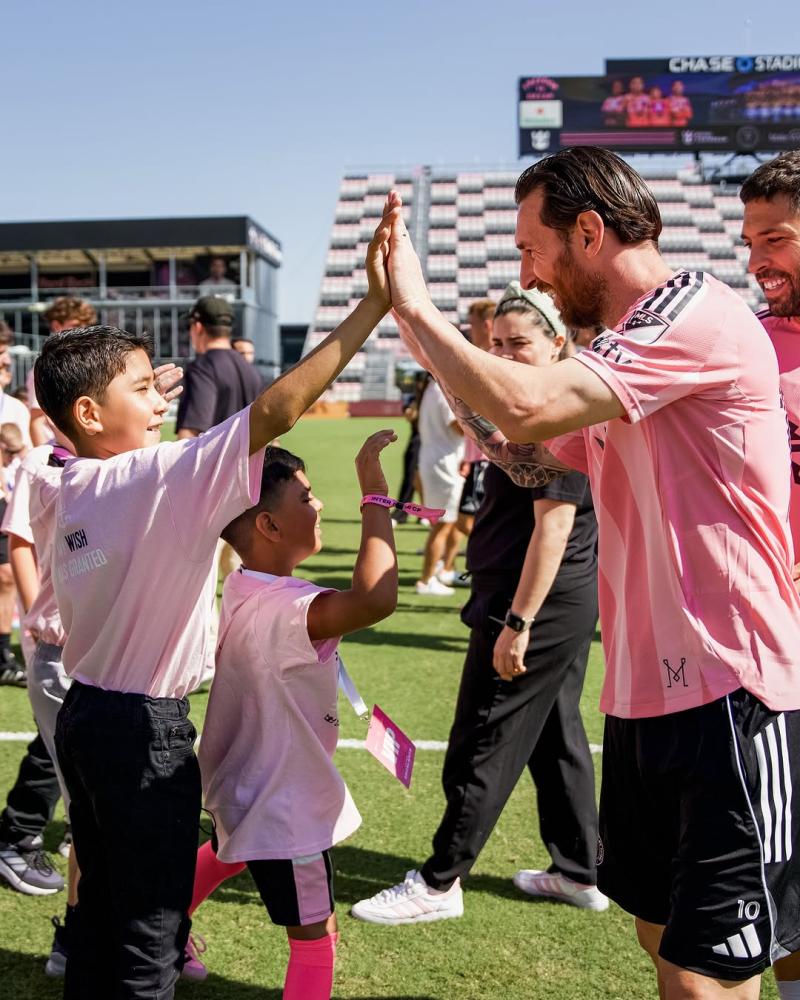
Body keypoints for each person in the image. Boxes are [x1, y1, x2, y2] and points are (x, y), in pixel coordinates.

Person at [384, 148, 800, 1000]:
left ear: (587, 231)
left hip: (731, 686)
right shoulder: (621, 349)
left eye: (532, 250)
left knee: (708, 970)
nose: (527, 274)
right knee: (659, 932)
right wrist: (420, 337)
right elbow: (528, 451)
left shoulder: (693, 308)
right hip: (644, 692)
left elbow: (528, 404)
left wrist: (420, 308)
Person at [33, 199, 394, 1000]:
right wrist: (373, 305)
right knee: (149, 939)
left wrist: (132, 393)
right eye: (143, 388)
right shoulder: (156, 475)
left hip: (86, 715)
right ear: (90, 412)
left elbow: (94, 437)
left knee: (100, 916)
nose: (161, 397)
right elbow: (278, 409)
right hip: (142, 732)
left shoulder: (70, 478)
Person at [352, 284, 604, 925]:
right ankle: (579, 871)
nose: (504, 355)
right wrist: (408, 313)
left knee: (480, 743)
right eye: (496, 343)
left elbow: (553, 529)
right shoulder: (527, 407)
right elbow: (456, 383)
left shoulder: (564, 410)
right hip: (548, 599)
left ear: (557, 344)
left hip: (534, 602)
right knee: (556, 737)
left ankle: (439, 883)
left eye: (519, 343)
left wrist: (519, 621)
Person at [199, 432, 398, 999]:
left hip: (246, 786)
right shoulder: (290, 610)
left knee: (230, 851)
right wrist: (375, 495)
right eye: (306, 498)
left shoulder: (245, 585)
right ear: (268, 524)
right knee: (317, 939)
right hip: (287, 806)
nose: (319, 504)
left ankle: (167, 936)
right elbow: (375, 599)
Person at [741, 148, 800, 1000]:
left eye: (776, 238)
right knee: (778, 856)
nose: (757, 260)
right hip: (769, 643)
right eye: (749, 240)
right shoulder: (745, 341)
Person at [176, 296, 263, 439]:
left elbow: (190, 434)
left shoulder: (202, 367)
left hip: (212, 454)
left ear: (198, 327)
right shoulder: (251, 371)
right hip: (246, 453)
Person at [414, 376, 463, 595]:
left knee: (451, 523)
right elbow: (460, 427)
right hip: (444, 465)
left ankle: (445, 570)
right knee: (442, 525)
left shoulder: (435, 389)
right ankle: (426, 580)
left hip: (440, 461)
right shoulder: (444, 392)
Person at [0, 351, 32, 685]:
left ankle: (3, 656)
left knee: (8, 575)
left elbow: (27, 453)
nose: (4, 372)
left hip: (7, 501)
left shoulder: (15, 409)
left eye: (6, 366)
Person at [28, 297, 97, 447]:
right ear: (56, 325)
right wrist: (48, 457)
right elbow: (37, 420)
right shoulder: (44, 367)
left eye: (86, 326)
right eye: (76, 325)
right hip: (57, 449)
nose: (82, 331)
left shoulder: (86, 361)